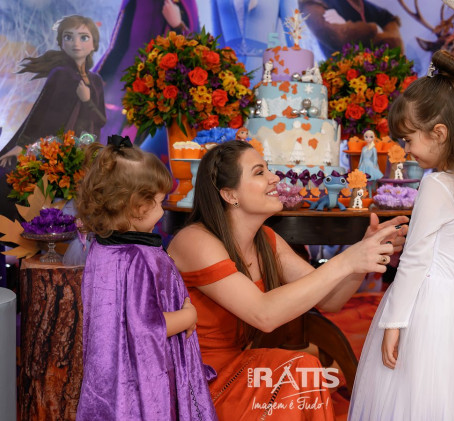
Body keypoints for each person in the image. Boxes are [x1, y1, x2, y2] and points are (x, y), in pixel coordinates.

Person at [167, 140, 408, 419]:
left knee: (306, 368)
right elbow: (263, 314)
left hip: (235, 365)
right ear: (230, 194)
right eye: (260, 172)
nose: (274, 178)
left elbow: (331, 300)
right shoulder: (196, 241)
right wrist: (346, 260)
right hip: (193, 380)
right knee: (299, 374)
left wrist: (365, 255)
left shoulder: (266, 240)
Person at [348, 50, 454, 420]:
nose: (405, 150)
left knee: (415, 397)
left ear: (439, 134)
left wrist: (393, 323)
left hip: (429, 308)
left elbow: (415, 261)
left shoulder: (436, 185)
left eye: (408, 140)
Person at [75, 136, 217, 420]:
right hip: (144, 383)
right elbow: (146, 328)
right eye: (159, 202)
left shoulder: (101, 249)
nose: (162, 211)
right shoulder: (139, 257)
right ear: (138, 206)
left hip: (110, 376)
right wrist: (188, 316)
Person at [0, 15, 106, 221]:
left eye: (83, 37)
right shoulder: (60, 74)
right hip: (55, 151)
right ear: (61, 43)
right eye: (69, 37)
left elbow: (101, 119)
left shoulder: (96, 81)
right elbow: (40, 112)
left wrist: (87, 100)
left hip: (84, 153)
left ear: (94, 44)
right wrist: (21, 144)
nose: (76, 43)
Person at [95, 0, 199, 142]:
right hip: (125, 80)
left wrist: (177, 25)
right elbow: (119, 44)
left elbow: (196, 51)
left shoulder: (185, 3)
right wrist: (100, 78)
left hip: (166, 91)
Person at [299, 0, 403, 58]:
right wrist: (377, 31)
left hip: (380, 74)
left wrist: (374, 30)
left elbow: (394, 39)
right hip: (346, 77)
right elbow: (339, 36)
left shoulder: (363, 4)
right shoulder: (315, 3)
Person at [358, 129, 384, 197]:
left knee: (371, 178)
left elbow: (375, 157)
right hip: (363, 165)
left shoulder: (373, 149)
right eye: (366, 137)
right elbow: (361, 157)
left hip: (370, 165)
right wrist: (359, 163)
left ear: (373, 138)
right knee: (363, 179)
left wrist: (375, 164)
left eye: (371, 137)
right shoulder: (364, 148)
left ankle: (372, 192)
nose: (368, 138)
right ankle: (365, 193)